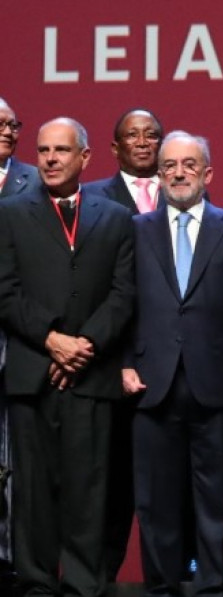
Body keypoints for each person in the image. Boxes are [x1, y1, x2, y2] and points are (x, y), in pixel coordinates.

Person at [0, 117, 135, 597]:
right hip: (33, 372)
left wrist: (84, 345)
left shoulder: (116, 218)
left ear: (86, 157)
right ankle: (36, 582)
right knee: (34, 492)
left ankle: (83, 584)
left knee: (89, 489)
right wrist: (52, 340)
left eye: (61, 150)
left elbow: (123, 294)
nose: (50, 159)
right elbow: (5, 290)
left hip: (91, 374)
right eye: (43, 150)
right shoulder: (11, 213)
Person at [124, 131, 223, 597]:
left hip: (217, 380)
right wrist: (125, 362)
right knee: (156, 500)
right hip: (151, 382)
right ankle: (162, 588)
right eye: (169, 165)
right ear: (158, 175)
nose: (177, 172)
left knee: (218, 499)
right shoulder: (135, 231)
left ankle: (212, 587)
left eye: (189, 165)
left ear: (207, 173)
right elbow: (123, 302)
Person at [83, 107, 168, 581]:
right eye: (131, 136)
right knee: (111, 488)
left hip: (172, 362)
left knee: (168, 488)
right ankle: (97, 580)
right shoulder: (95, 198)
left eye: (150, 135)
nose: (142, 142)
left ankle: (178, 578)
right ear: (114, 148)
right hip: (112, 363)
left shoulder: (185, 190)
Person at [0, 96, 39, 589]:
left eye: (13, 124)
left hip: (19, 337)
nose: (9, 131)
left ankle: (9, 556)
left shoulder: (34, 182)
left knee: (13, 458)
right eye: (0, 124)